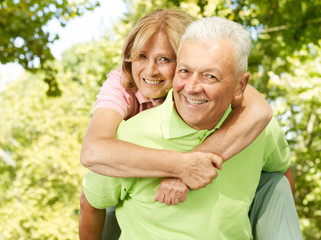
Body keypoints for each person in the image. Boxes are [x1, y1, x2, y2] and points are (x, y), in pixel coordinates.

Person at [81, 16, 302, 239]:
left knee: (275, 183)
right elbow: (93, 154)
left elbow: (261, 111)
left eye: (210, 76)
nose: (150, 70)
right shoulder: (122, 98)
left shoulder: (253, 121)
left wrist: (188, 171)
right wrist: (181, 167)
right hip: (116, 179)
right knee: (104, 198)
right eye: (186, 71)